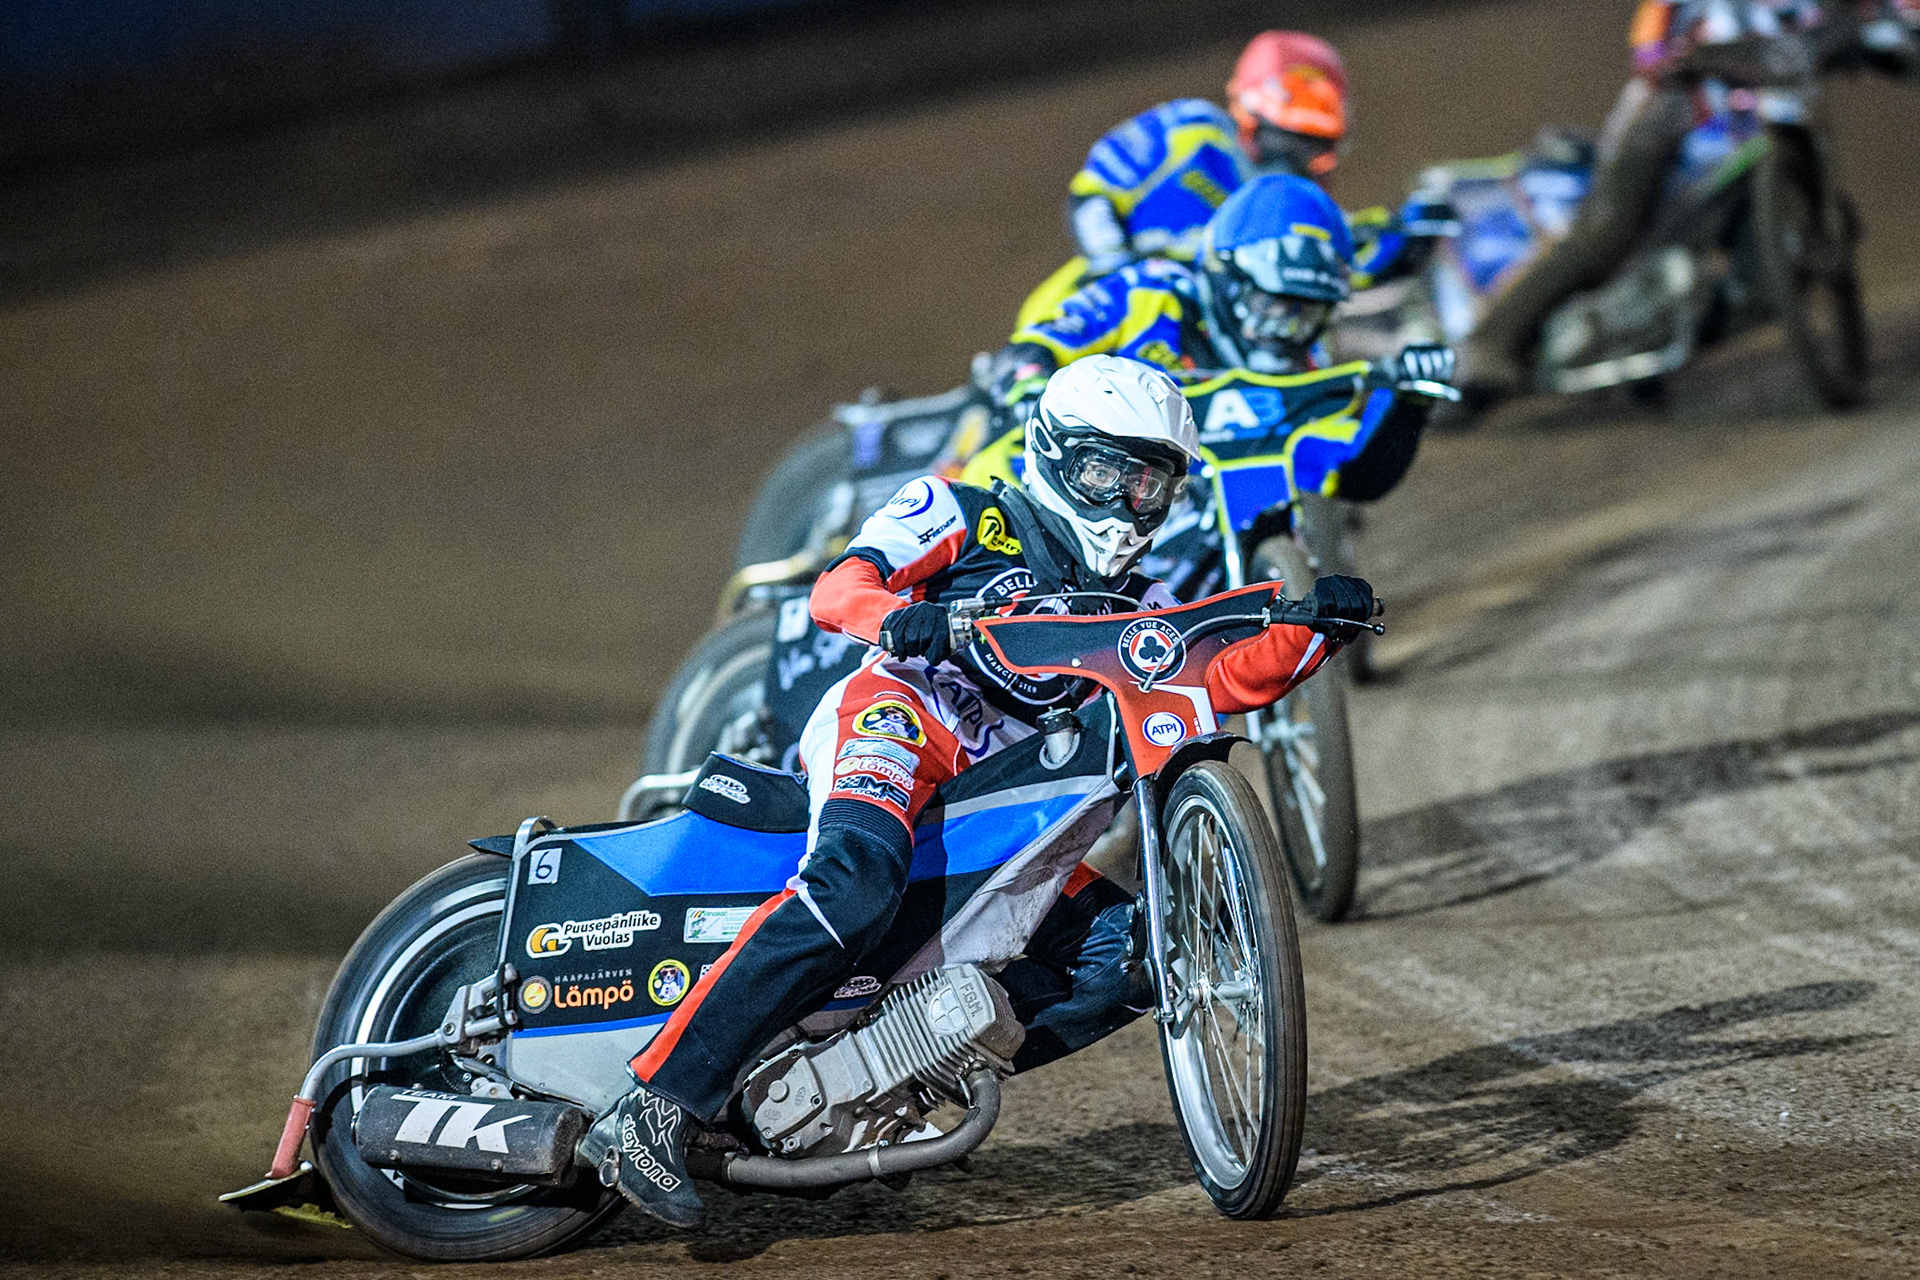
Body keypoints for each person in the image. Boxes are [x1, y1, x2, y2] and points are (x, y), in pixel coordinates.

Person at [581, 356, 1378, 1227]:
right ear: (1054, 452)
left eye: (1150, 484)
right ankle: (651, 1106)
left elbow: (1216, 675)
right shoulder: (964, 509)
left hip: (997, 801)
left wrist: (1312, 630)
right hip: (899, 718)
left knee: (1131, 957)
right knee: (855, 880)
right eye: (1107, 470)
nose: (1125, 500)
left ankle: (889, 1080)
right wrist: (897, 617)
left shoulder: (1141, 600)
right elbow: (837, 587)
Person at [1454, 0, 1913, 398]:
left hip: (1776, 126)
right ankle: (1491, 340)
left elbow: (1894, 22)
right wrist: (1666, 54)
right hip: (1677, 113)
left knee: (1807, 221)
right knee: (1606, 232)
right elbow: (1655, 27)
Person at [976, 173, 1450, 500]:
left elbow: (1352, 475)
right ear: (1226, 277)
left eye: (1305, 311)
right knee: (990, 475)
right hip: (1093, 480)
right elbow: (1047, 340)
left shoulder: (1308, 369)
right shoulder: (1151, 289)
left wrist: (1409, 405)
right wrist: (1028, 377)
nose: (1284, 328)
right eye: (1271, 303)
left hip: (1206, 504)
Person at [1012, 30, 1440, 330]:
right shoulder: (1188, 131)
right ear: (1249, 114)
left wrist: (1406, 237)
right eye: (1285, 140)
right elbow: (1093, 198)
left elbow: (1335, 263)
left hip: (1208, 347)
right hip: (1090, 313)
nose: (1297, 159)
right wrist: (1118, 274)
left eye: (1312, 145)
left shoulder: (1290, 206)